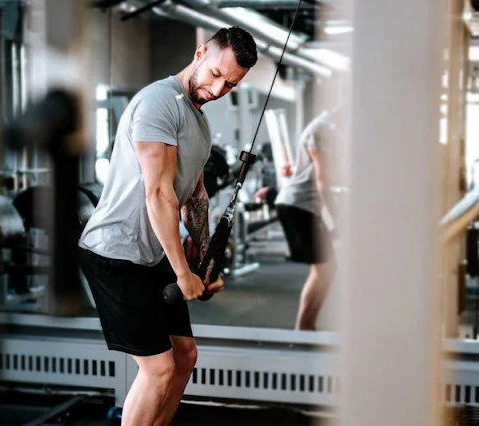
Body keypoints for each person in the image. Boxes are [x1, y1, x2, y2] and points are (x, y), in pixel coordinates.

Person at [78, 27, 258, 425]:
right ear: (200, 53)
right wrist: (181, 273)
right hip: (115, 253)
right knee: (158, 369)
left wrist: (206, 262)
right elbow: (158, 195)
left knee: (185, 356)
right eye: (216, 74)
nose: (218, 89)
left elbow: (196, 196)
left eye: (230, 85)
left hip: (151, 252)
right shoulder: (159, 102)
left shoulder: (199, 122)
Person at [254, 107, 340, 331]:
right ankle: (304, 329)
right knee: (324, 270)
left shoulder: (330, 129)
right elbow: (322, 179)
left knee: (326, 270)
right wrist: (336, 220)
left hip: (303, 205)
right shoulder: (322, 129)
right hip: (298, 205)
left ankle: (306, 328)